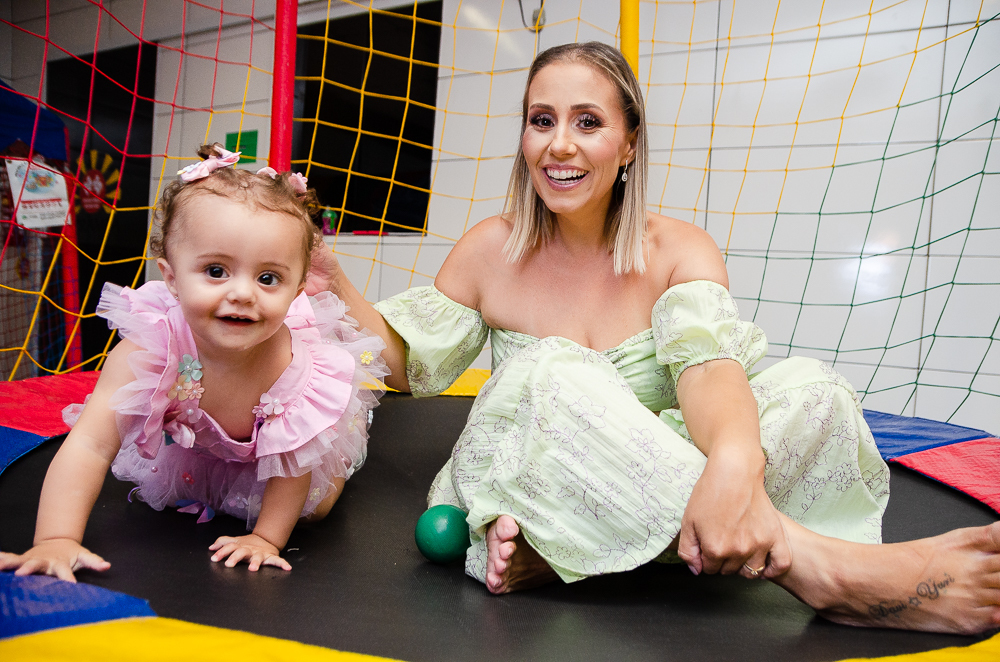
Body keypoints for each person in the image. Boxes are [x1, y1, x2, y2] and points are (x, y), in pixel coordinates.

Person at [306, 41, 1000, 634]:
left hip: (642, 474)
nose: (560, 144)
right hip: (534, 468)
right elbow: (405, 363)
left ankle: (577, 554)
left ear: (630, 142)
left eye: (588, 121)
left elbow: (710, 370)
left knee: (814, 391)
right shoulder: (492, 247)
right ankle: (818, 567)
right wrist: (331, 277)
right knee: (555, 368)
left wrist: (735, 462)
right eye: (542, 120)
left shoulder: (678, 248)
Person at [0, 144, 387, 580]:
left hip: (289, 452)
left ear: (297, 291)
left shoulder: (294, 365)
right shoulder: (150, 350)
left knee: (317, 506)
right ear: (171, 278)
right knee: (197, 489)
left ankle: (351, 440)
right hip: (206, 448)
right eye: (216, 271)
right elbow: (91, 443)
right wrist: (55, 538)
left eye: (268, 278)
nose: (242, 293)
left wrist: (266, 538)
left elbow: (295, 463)